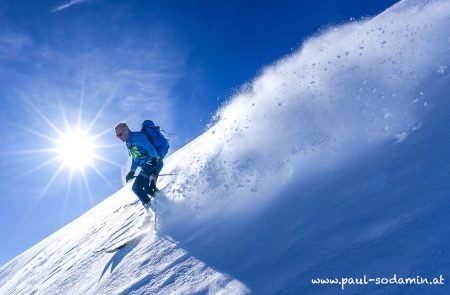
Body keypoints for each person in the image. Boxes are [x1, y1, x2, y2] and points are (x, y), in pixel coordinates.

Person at [115, 122, 163, 212]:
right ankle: (151, 209)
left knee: (148, 189)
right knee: (136, 188)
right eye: (118, 136)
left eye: (120, 134)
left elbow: (151, 148)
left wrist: (154, 159)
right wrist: (132, 171)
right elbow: (135, 158)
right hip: (146, 167)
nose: (120, 137)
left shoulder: (137, 137)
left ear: (126, 130)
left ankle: (166, 204)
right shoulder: (129, 142)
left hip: (153, 163)